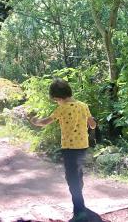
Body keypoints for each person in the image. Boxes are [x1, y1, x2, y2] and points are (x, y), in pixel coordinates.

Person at [30, 78, 101, 222]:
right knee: (78, 174)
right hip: (82, 147)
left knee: (72, 179)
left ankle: (79, 212)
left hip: (69, 149)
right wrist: (92, 120)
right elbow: (92, 125)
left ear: (57, 97)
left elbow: (45, 122)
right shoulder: (83, 106)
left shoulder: (61, 109)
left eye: (55, 100)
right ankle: (80, 202)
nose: (56, 102)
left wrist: (35, 121)